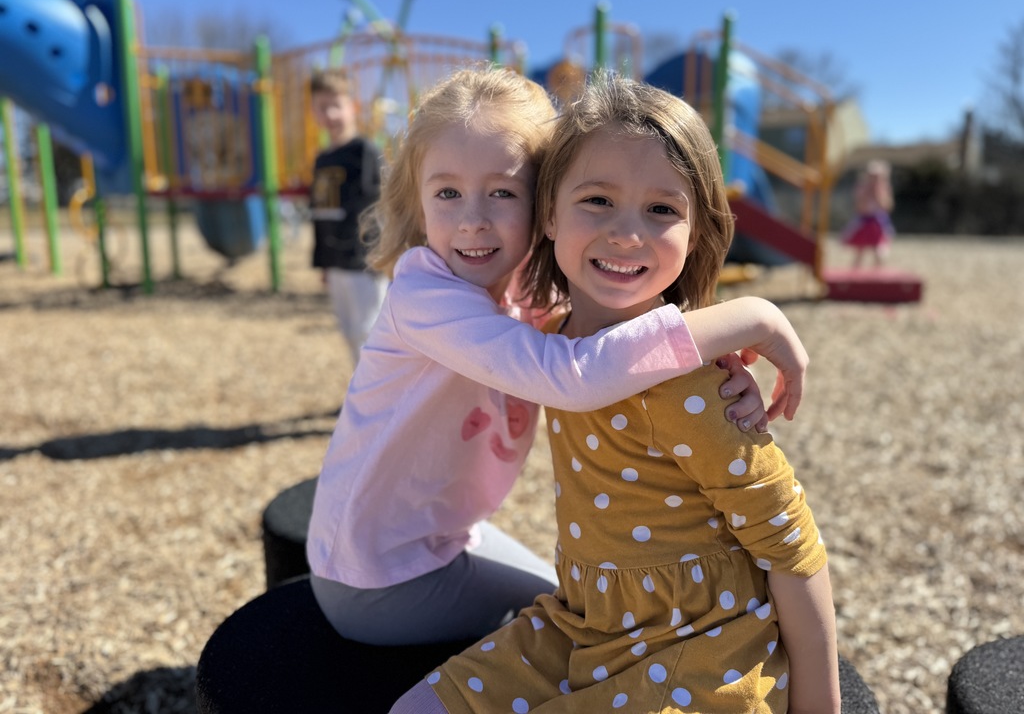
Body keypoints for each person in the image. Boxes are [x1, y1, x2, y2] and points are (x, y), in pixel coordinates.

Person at [307, 66, 811, 653]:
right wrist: (754, 319)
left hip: (440, 542)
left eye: (502, 192)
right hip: (374, 580)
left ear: (545, 205)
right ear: (417, 204)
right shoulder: (424, 297)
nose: (473, 217)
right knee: (591, 631)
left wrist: (719, 361)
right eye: (448, 193)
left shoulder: (523, 291)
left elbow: (621, 330)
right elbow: (573, 375)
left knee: (577, 605)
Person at [308, 68, 389, 363]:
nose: (329, 113)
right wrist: (323, 262)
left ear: (352, 106)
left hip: (363, 259)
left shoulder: (365, 152)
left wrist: (384, 254)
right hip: (337, 260)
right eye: (321, 106)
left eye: (336, 105)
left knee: (371, 332)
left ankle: (381, 401)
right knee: (349, 329)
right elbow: (319, 211)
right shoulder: (322, 159)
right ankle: (363, 395)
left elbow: (378, 206)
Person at [842, 159, 895, 269]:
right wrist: (866, 195)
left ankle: (878, 276)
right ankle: (854, 277)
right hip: (864, 222)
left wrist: (879, 196)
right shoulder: (862, 188)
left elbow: (887, 206)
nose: (874, 179)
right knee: (860, 251)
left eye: (877, 176)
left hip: (878, 223)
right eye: (872, 176)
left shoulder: (884, 189)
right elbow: (858, 207)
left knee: (879, 251)